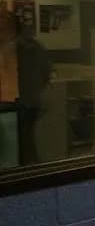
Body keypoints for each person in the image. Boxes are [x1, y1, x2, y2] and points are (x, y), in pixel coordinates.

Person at [16, 24, 53, 165]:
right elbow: (47, 71)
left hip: (21, 98)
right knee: (30, 133)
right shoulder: (39, 48)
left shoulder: (15, 48)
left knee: (23, 134)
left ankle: (26, 163)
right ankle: (32, 162)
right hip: (34, 98)